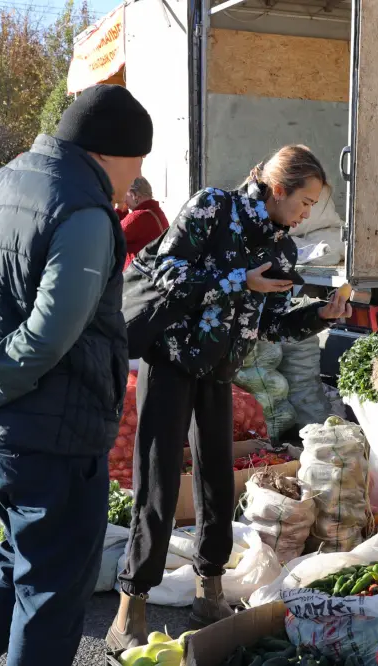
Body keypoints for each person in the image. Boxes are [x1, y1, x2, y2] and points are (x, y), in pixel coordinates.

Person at [0, 84, 153, 666]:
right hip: (52, 435)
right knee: (51, 590)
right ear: (107, 151)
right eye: (137, 161)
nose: (136, 178)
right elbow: (50, 333)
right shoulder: (82, 210)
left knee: (20, 556)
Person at [108, 145, 352, 648]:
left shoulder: (281, 249)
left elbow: (272, 324)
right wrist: (240, 280)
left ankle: (210, 588)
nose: (307, 214)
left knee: (218, 480)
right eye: (305, 202)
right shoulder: (212, 208)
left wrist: (319, 315)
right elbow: (167, 272)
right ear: (278, 189)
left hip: (219, 372)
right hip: (171, 360)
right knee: (158, 481)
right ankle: (131, 606)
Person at [116, 176, 169, 269]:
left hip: (137, 275)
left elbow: (110, 236)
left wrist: (119, 210)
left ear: (134, 195)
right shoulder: (157, 213)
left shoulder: (138, 216)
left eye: (125, 195)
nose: (124, 200)